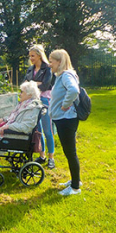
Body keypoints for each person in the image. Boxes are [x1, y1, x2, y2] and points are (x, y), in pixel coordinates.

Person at [48, 49, 83, 196]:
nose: (50, 65)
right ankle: (76, 180)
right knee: (70, 153)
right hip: (63, 119)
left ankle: (75, 188)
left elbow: (74, 90)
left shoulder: (66, 75)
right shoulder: (61, 76)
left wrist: (65, 105)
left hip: (66, 119)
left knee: (70, 152)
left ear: (59, 62)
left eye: (51, 61)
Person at [23, 45, 57, 169]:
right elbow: (24, 86)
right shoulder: (30, 70)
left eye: (33, 55)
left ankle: (51, 158)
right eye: (30, 56)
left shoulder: (47, 68)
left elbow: (45, 85)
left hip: (45, 100)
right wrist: (35, 84)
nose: (31, 58)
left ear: (39, 55)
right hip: (33, 100)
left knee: (48, 130)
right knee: (38, 130)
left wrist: (31, 84)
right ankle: (42, 156)